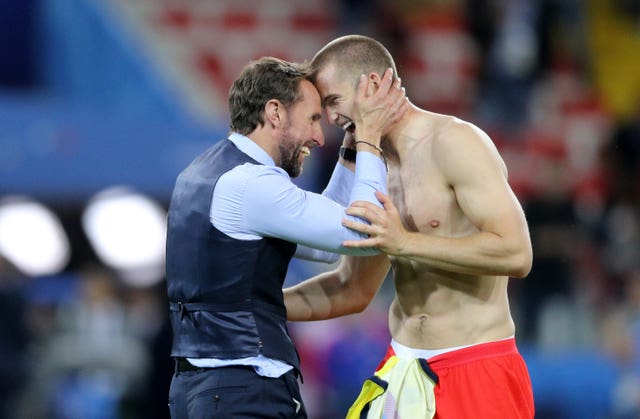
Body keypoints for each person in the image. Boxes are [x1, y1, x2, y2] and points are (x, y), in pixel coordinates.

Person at [283, 35, 535, 418]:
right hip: (401, 367)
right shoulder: (371, 166)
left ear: (370, 85)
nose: (330, 120)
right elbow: (353, 289)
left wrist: (405, 243)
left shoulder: (454, 142)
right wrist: (257, 303)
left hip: (475, 365)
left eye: (333, 102)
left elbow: (517, 253)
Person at [164, 56, 408, 419]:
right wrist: (372, 136)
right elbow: (361, 228)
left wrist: (353, 147)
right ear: (275, 112)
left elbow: (324, 245)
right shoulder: (252, 185)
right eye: (312, 118)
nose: (319, 136)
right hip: (245, 389)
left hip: (207, 389)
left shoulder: (206, 173)